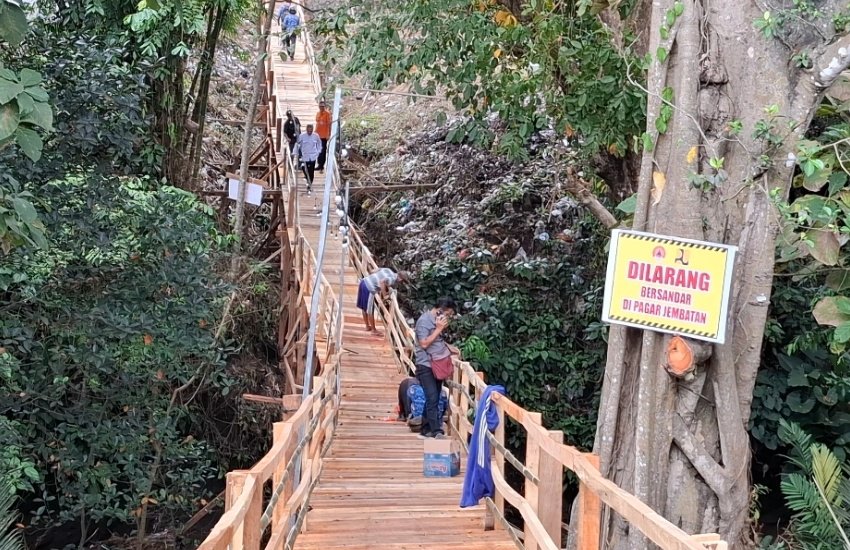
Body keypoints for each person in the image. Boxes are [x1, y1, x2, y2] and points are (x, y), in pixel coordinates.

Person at [414, 297, 458, 439]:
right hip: (425, 364)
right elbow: (424, 344)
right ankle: (436, 431)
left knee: (433, 396)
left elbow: (437, 342)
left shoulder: (436, 321)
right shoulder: (424, 322)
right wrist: (439, 329)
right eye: (448, 314)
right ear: (440, 311)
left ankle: (425, 429)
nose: (448, 318)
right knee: (432, 397)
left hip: (437, 364)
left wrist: (450, 349)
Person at [356, 268, 409, 335]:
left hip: (364, 281)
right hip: (369, 288)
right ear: (400, 279)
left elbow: (373, 271)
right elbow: (382, 282)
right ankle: (373, 330)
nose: (402, 283)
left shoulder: (388, 270)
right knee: (370, 310)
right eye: (403, 281)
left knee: (364, 307)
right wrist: (384, 295)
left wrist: (374, 279)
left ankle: (367, 326)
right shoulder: (392, 279)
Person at [293, 124, 322, 192]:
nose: (309, 132)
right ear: (306, 130)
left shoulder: (316, 136)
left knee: (311, 171)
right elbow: (297, 144)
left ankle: (309, 184)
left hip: (312, 156)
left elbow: (319, 143)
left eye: (311, 131)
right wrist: (295, 152)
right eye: (308, 131)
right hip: (304, 155)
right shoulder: (302, 136)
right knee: (304, 168)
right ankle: (307, 177)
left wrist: (318, 151)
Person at [315, 100, 332, 171]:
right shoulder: (318, 113)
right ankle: (319, 164)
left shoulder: (327, 114)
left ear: (325, 106)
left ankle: (321, 165)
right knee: (318, 150)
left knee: (322, 151)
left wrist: (329, 134)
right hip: (317, 134)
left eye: (323, 106)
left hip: (324, 135)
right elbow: (317, 122)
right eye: (320, 106)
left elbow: (329, 124)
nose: (321, 107)